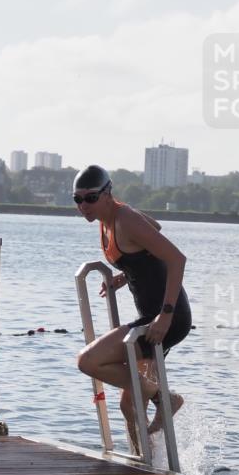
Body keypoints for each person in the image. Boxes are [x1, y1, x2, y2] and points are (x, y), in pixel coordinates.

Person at [73, 165, 192, 452]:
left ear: (107, 193)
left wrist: (164, 315)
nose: (83, 206)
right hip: (152, 317)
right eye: (77, 199)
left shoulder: (124, 218)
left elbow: (177, 259)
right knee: (128, 404)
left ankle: (165, 399)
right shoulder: (110, 218)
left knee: (88, 361)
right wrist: (126, 275)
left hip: (166, 317)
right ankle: (148, 462)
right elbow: (155, 229)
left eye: (90, 198)